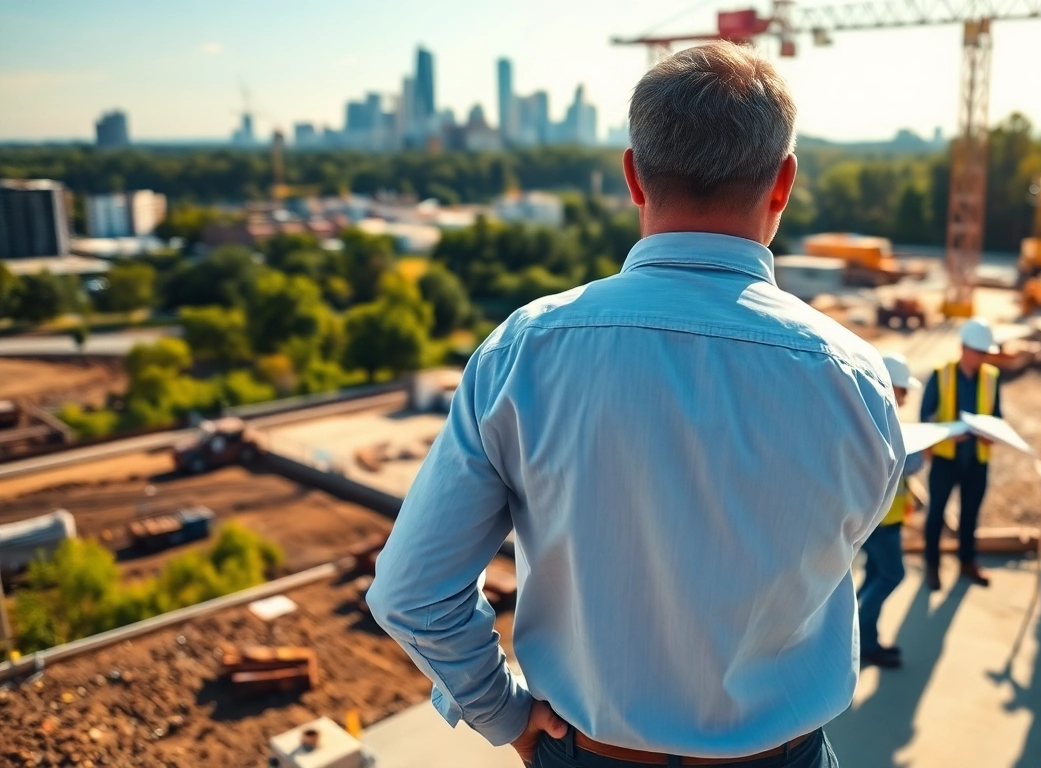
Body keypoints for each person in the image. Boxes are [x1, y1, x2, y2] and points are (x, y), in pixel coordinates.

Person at [367, 41, 905, 768]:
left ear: (632, 175)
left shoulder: (524, 352)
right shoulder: (855, 380)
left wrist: (504, 713)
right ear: (782, 184)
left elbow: (411, 593)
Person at [919, 318, 1001, 590]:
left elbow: (997, 416)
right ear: (963, 348)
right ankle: (932, 564)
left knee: (970, 514)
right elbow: (925, 415)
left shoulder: (991, 378)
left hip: (976, 459)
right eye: (977, 352)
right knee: (936, 514)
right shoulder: (941, 373)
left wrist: (993, 434)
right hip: (946, 458)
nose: (981, 358)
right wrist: (939, 437)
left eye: (984, 353)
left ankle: (967, 561)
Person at [858, 353, 923, 669]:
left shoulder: (874, 414)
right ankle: (856, 631)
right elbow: (900, 465)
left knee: (874, 574)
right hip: (880, 519)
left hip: (883, 515)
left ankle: (865, 642)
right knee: (891, 574)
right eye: (903, 389)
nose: (907, 396)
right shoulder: (882, 420)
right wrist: (929, 452)